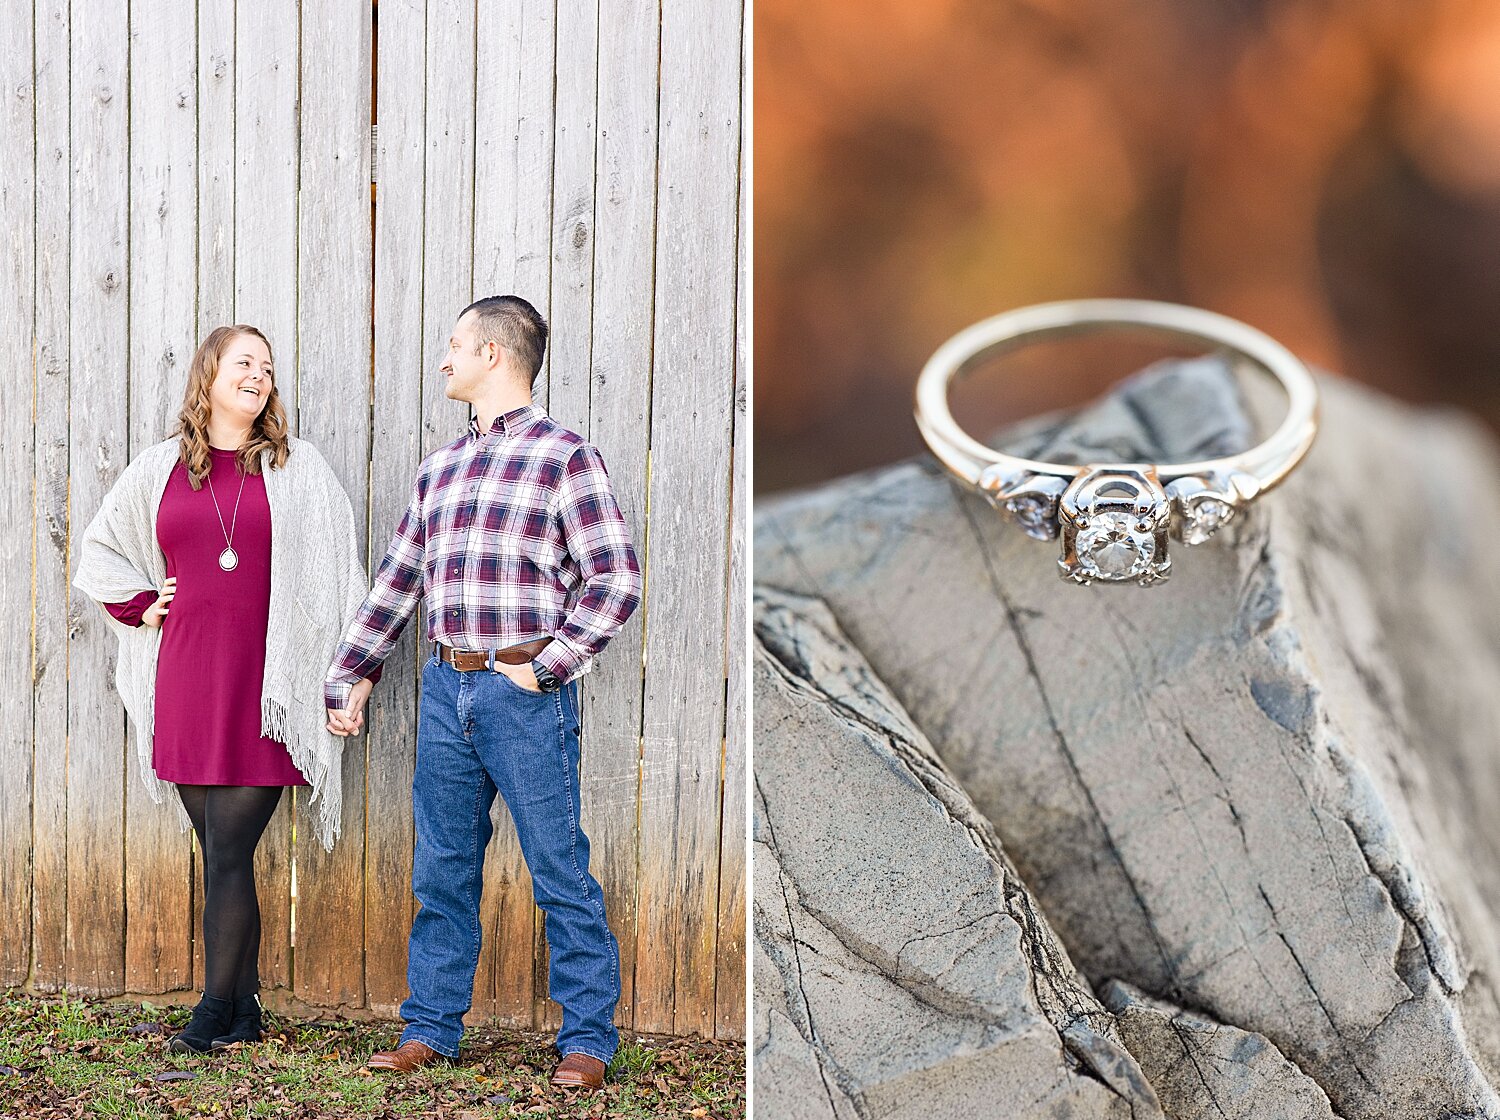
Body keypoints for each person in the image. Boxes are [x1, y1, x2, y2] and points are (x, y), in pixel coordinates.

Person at [323, 295, 642, 1090]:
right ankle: (429, 1029)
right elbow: (396, 586)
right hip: (444, 689)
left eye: (456, 346)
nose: (445, 361)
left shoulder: (565, 457)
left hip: (524, 693)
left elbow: (615, 578)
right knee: (443, 869)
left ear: (494, 354)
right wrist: (352, 672)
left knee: (558, 869)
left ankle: (588, 1043)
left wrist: (550, 666)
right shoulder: (440, 470)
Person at [74, 325, 377, 1054]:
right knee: (219, 851)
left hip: (265, 691)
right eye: (244, 362)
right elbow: (100, 548)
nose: (259, 375)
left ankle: (211, 1011)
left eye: (268, 368)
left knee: (232, 850)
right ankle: (243, 1011)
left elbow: (341, 577)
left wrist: (349, 676)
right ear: (209, 375)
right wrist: (140, 604)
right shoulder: (160, 469)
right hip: (184, 680)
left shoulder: (298, 469)